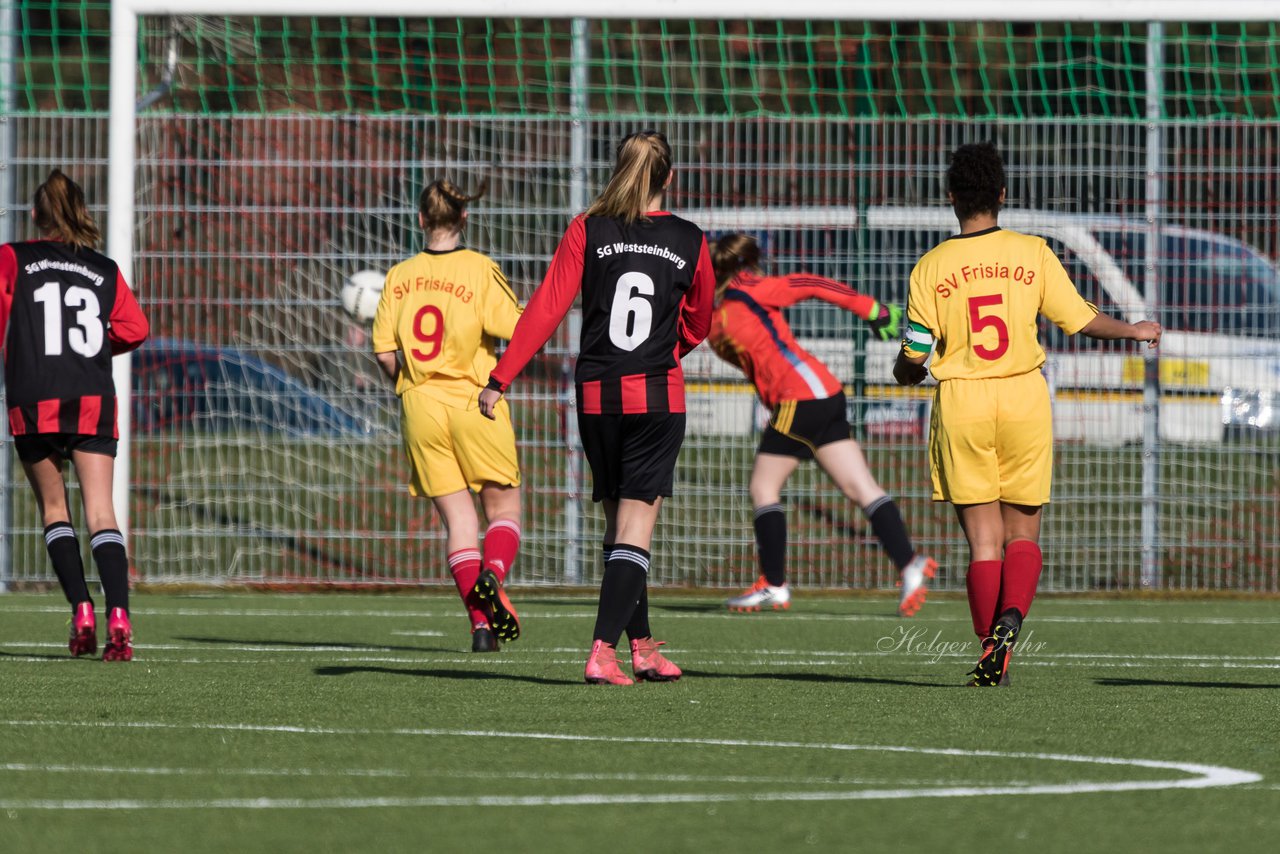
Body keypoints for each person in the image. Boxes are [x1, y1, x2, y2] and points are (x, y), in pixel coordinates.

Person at [893, 142, 1161, 686]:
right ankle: (1010, 623)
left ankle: (991, 649)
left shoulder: (931, 267)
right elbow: (1080, 319)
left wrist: (904, 371)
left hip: (963, 402)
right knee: (1023, 538)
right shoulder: (1033, 252)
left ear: (951, 199)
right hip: (1022, 397)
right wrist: (1133, 330)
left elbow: (914, 358)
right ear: (1002, 195)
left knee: (983, 542)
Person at [479, 129, 715, 686]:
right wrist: (669, 348)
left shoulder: (588, 227)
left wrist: (500, 378)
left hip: (595, 398)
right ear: (669, 179)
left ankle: (643, 649)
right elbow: (701, 320)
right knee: (636, 528)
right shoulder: (690, 238)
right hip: (655, 396)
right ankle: (602, 651)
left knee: (619, 530)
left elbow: (545, 308)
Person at [707, 234, 937, 617]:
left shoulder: (747, 291)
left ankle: (774, 584)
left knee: (763, 486)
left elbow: (812, 284)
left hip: (803, 396)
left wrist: (871, 309)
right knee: (859, 486)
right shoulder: (712, 314)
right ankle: (910, 563)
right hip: (820, 393)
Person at [0, 169, 150, 661]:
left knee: (54, 510)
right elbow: (135, 328)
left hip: (33, 395)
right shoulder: (104, 269)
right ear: (82, 212)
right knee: (101, 512)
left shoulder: (12, 258)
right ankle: (120, 615)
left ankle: (81, 609)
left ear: (34, 217)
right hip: (91, 396)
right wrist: (88, 350)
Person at [372, 178, 524, 653]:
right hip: (474, 398)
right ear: (464, 218)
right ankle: (494, 577)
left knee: (459, 522)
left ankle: (481, 628)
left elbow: (384, 355)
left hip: (419, 406)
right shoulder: (480, 269)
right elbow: (520, 330)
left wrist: (412, 381)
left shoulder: (398, 276)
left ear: (421, 220)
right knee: (503, 508)